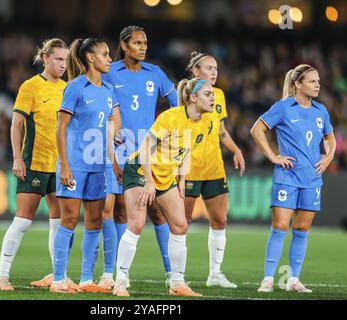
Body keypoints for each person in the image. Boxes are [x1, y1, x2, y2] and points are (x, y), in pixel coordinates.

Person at [113, 77, 215, 297]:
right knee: (137, 224)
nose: (212, 97)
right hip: (141, 170)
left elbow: (186, 151)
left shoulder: (207, 122)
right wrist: (149, 182)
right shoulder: (171, 117)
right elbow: (144, 148)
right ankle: (120, 281)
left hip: (166, 176)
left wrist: (181, 180)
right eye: (208, 94)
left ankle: (177, 284)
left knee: (180, 225)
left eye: (212, 93)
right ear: (194, 98)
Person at [98, 25, 178, 290]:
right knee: (119, 210)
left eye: (145, 43)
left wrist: (172, 135)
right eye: (137, 43)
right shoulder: (110, 72)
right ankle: (119, 274)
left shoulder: (155, 73)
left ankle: (171, 274)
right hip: (119, 149)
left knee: (158, 213)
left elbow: (177, 104)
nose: (143, 47)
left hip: (150, 152)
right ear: (124, 45)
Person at [0, 39, 72, 291]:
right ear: (45, 58)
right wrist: (17, 157)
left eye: (66, 60)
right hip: (35, 162)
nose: (63, 64)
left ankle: (57, 275)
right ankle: (1, 276)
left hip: (59, 165)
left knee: (58, 224)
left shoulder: (67, 88)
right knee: (23, 221)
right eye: (59, 59)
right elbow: (16, 125)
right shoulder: (30, 87)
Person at [250, 64, 335, 293]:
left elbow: (330, 137)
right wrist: (273, 156)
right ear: (298, 84)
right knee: (279, 226)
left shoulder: (321, 111)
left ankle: (294, 279)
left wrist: (329, 156)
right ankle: (268, 279)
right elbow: (257, 130)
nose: (318, 85)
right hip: (287, 176)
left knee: (302, 229)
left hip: (312, 179)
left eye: (318, 81)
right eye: (312, 81)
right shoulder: (284, 107)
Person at [50, 38, 120, 294]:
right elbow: (61, 127)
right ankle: (58, 279)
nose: (110, 58)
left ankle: (86, 279)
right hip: (75, 164)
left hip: (98, 165)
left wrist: (112, 162)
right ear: (91, 57)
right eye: (105, 54)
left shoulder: (108, 90)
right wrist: (65, 166)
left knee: (94, 222)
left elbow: (109, 129)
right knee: (68, 220)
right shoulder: (75, 87)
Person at [184, 52, 245, 288]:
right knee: (182, 223)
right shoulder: (185, 95)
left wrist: (236, 149)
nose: (214, 72)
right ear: (195, 71)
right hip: (188, 168)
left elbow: (221, 132)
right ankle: (177, 275)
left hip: (214, 167)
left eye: (216, 68)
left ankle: (215, 274)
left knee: (219, 220)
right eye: (209, 67)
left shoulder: (218, 95)